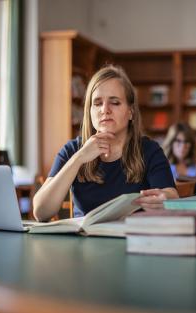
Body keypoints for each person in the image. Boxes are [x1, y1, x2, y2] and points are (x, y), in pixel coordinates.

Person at [33, 65, 178, 221]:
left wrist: (165, 198)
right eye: (97, 103)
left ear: (131, 112)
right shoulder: (73, 150)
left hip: (130, 240)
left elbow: (171, 195)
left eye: (115, 103)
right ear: (89, 111)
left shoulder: (149, 150)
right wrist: (78, 158)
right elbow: (41, 212)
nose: (105, 109)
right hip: (84, 241)